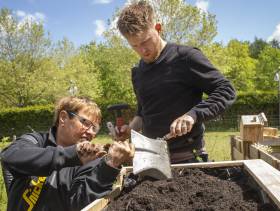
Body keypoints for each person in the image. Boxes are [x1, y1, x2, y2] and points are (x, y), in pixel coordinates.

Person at [116, 1, 236, 163]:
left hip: (188, 157)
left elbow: (226, 90)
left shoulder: (186, 57)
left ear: (158, 28)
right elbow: (143, 112)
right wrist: (130, 129)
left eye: (145, 41)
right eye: (135, 46)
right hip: (151, 158)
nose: (142, 50)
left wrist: (193, 115)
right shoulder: (137, 72)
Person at [0, 96, 135, 211]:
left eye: (95, 128)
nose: (91, 132)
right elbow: (10, 156)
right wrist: (71, 154)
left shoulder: (90, 160)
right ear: (63, 117)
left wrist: (110, 165)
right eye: (85, 123)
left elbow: (80, 204)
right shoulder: (37, 140)